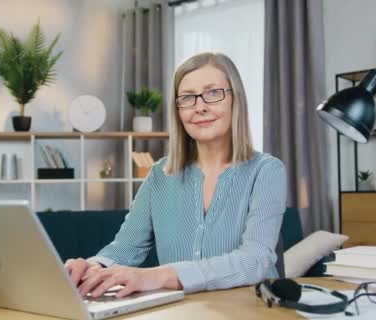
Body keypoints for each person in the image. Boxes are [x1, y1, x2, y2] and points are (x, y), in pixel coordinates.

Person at [65, 52, 286, 298]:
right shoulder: (159, 175)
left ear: (236, 99)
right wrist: (95, 267)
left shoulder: (266, 171)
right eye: (187, 98)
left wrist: (156, 275)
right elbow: (125, 247)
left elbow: (255, 260)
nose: (199, 107)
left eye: (213, 93)